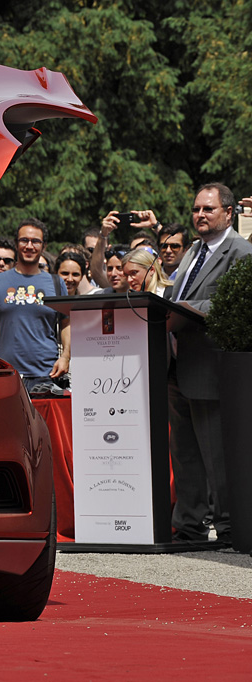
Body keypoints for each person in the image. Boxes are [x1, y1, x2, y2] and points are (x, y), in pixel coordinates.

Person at [167, 182, 252, 546]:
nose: (199, 215)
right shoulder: (192, 252)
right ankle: (189, 525)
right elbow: (177, 295)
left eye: (208, 209)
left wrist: (190, 310)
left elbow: (238, 304)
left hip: (212, 366)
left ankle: (229, 526)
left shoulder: (241, 252)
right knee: (185, 454)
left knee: (216, 455)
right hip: (177, 363)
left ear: (228, 213)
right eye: (196, 209)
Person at [0, 219, 70, 392]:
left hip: (47, 374)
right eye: (24, 240)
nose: (29, 246)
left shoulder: (56, 283)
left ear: (44, 246)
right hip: (7, 373)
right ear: (16, 243)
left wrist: (66, 356)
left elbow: (66, 323)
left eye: (35, 241)